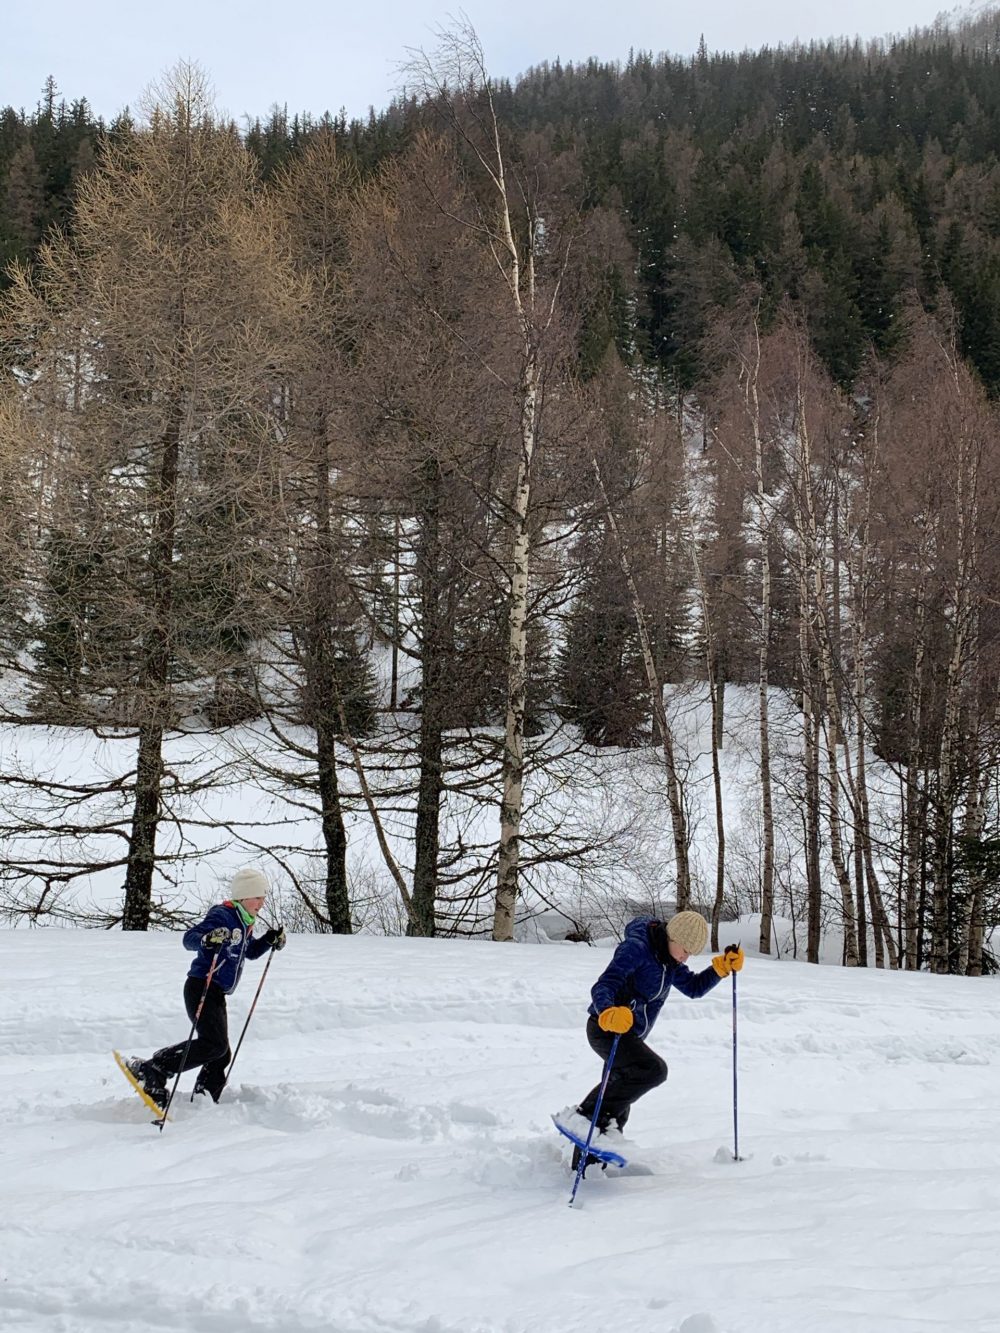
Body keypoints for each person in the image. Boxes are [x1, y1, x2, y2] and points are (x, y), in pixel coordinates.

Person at [553, 909, 744, 1170]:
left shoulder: (670, 962)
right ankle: (583, 1118)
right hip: (606, 1028)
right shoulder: (637, 949)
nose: (686, 957)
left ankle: (590, 1167)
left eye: (691, 953)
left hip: (629, 1036)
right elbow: (604, 985)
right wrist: (608, 1011)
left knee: (615, 1111)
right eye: (685, 949)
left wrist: (720, 968)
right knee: (652, 1070)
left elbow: (694, 987)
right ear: (672, 936)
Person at [125, 867, 286, 1111]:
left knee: (221, 1054)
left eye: (263, 897)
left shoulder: (244, 922)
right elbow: (189, 938)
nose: (262, 903)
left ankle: (204, 1098)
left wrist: (269, 941)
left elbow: (249, 952)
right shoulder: (223, 915)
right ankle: (154, 1068)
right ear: (243, 896)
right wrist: (208, 938)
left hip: (216, 992)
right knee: (214, 1045)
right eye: (258, 897)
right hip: (201, 986)